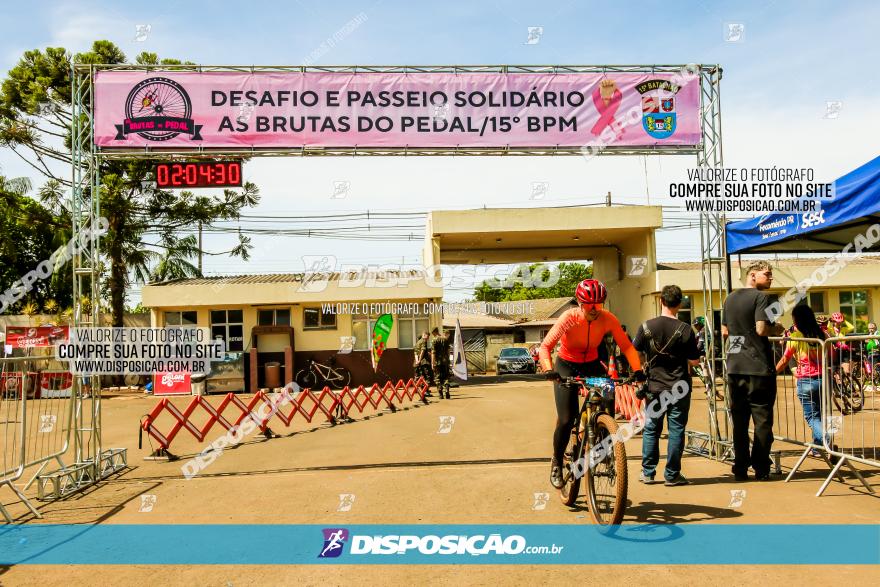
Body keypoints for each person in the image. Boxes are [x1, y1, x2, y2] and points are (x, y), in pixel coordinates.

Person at [539, 278, 646, 489]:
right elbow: (545, 346)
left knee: (607, 398)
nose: (594, 309)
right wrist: (549, 369)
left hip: (592, 365)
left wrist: (638, 371)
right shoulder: (568, 318)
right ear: (580, 303)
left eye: (598, 304)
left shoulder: (608, 319)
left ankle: (601, 441)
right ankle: (557, 462)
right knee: (566, 418)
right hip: (566, 366)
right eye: (589, 305)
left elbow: (626, 346)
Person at [722, 260, 785, 481]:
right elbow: (761, 329)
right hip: (759, 369)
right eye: (766, 274)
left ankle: (740, 468)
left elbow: (725, 332)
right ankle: (761, 467)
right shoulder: (761, 298)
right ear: (752, 275)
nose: (770, 278)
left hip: (735, 368)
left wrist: (740, 348)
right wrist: (776, 328)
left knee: (740, 421)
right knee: (763, 420)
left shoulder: (729, 298)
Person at [633, 285, 701, 486]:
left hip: (654, 387)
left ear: (661, 301)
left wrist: (642, 370)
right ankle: (672, 475)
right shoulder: (686, 329)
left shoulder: (646, 327)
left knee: (652, 429)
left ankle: (648, 473)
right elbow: (695, 361)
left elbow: (635, 351)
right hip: (679, 388)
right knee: (676, 430)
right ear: (679, 304)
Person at [774, 304, 829, 455]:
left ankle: (826, 439)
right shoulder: (823, 335)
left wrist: (772, 373)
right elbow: (831, 356)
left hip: (805, 379)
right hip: (823, 379)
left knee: (811, 416)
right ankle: (818, 448)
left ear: (797, 320)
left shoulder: (797, 336)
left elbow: (785, 359)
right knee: (820, 414)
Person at [431, 327, 452, 399]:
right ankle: (447, 391)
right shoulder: (445, 339)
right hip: (445, 362)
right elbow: (448, 351)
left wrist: (432, 362)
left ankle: (440, 394)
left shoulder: (434, 340)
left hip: (438, 362)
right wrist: (448, 360)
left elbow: (433, 352)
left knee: (437, 377)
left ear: (434, 332)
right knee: (446, 376)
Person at [413, 331, 434, 396]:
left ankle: (424, 390)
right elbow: (422, 351)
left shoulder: (417, 342)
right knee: (428, 376)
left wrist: (417, 361)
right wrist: (419, 360)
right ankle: (425, 391)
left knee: (421, 377)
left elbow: (416, 352)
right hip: (424, 362)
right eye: (427, 336)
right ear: (424, 335)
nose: (427, 338)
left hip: (418, 362)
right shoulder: (424, 341)